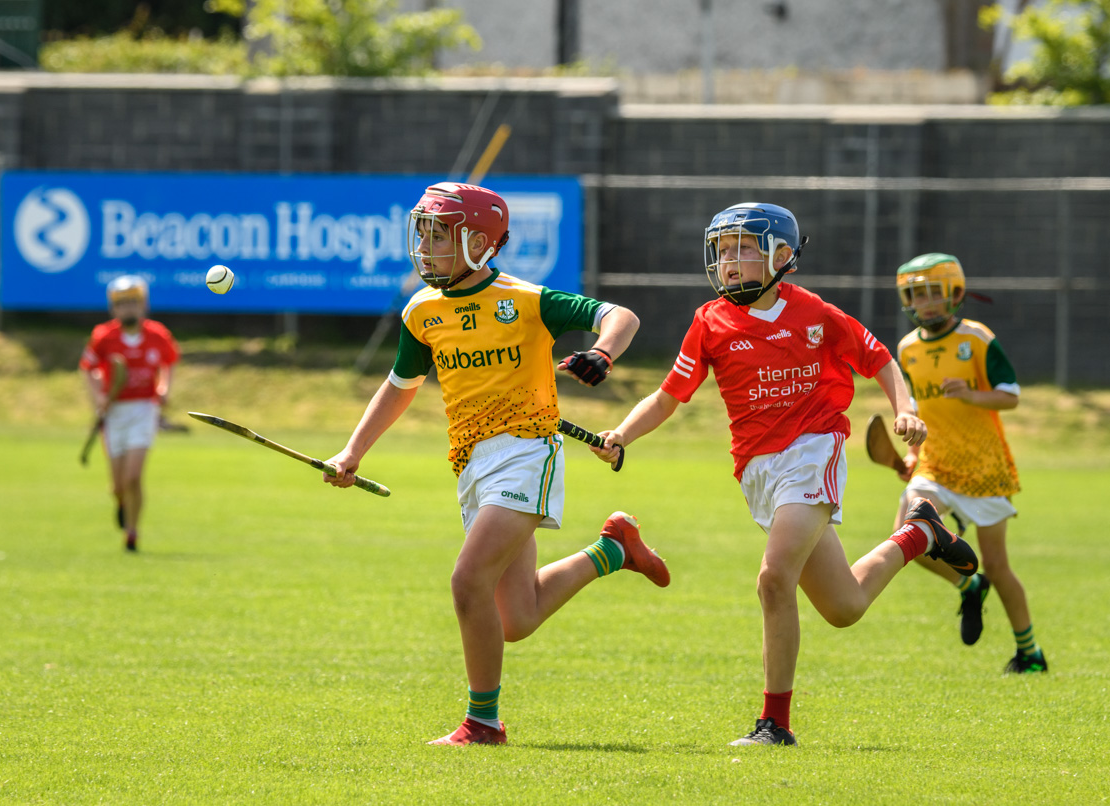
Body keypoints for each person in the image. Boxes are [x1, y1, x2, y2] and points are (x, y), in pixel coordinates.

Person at [588, 202, 979, 747]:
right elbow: (668, 396)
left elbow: (880, 359)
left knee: (774, 578)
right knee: (844, 607)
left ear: (780, 255)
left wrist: (904, 409)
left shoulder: (816, 313)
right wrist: (622, 435)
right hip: (758, 470)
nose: (728, 262)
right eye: (722, 251)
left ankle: (775, 724)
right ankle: (920, 533)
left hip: (814, 449)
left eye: (742, 249)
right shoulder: (709, 321)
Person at [322, 182, 670, 746]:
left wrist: (601, 352)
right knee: (516, 618)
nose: (427, 246)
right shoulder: (421, 310)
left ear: (480, 243)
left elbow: (621, 316)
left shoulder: (528, 299)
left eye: (441, 236)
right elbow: (399, 387)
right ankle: (613, 550)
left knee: (467, 581)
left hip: (528, 451)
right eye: (425, 234)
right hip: (471, 463)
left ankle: (482, 722)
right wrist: (352, 452)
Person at [891, 253, 1045, 674]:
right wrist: (911, 453)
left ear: (954, 294)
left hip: (985, 468)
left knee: (998, 564)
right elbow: (917, 409)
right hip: (935, 465)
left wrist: (970, 394)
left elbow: (1010, 394)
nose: (925, 303)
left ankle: (1029, 653)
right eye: (915, 295)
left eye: (932, 293)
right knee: (907, 536)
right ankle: (969, 584)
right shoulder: (906, 349)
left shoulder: (978, 339)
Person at [80, 275, 179, 552]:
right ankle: (122, 502)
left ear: (143, 304)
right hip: (114, 413)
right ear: (114, 308)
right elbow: (88, 368)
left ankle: (132, 533)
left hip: (144, 409)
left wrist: (163, 389)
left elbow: (168, 364)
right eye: (122, 304)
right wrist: (99, 395)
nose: (128, 309)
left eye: (134, 303)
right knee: (118, 485)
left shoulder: (157, 334)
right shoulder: (104, 336)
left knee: (134, 476)